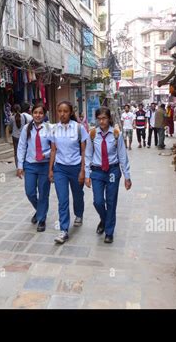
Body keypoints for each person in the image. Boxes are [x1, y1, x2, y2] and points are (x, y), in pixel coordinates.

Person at [85, 107, 131, 243]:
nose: (101, 121)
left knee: (111, 202)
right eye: (99, 119)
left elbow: (123, 156)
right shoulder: (92, 134)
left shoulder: (116, 134)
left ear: (109, 118)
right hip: (97, 172)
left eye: (104, 118)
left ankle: (109, 231)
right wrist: (87, 174)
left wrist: (127, 176)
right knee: (98, 201)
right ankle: (104, 220)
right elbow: (88, 155)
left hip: (112, 171)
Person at [49, 101, 89, 245]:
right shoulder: (54, 129)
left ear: (70, 112)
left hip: (76, 167)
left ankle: (79, 214)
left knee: (78, 195)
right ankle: (64, 229)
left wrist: (83, 171)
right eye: (60, 111)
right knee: (63, 199)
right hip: (60, 168)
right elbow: (53, 150)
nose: (62, 114)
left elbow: (84, 151)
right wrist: (51, 169)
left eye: (65, 111)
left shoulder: (79, 128)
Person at [16, 103, 52, 232]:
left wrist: (45, 154)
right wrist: (20, 165)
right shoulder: (26, 128)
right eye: (35, 112)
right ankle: (40, 210)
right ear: (32, 114)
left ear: (44, 114)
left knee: (43, 194)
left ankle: (41, 219)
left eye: (41, 113)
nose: (38, 115)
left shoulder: (50, 128)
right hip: (30, 165)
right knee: (30, 192)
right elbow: (21, 147)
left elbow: (55, 147)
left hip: (44, 165)